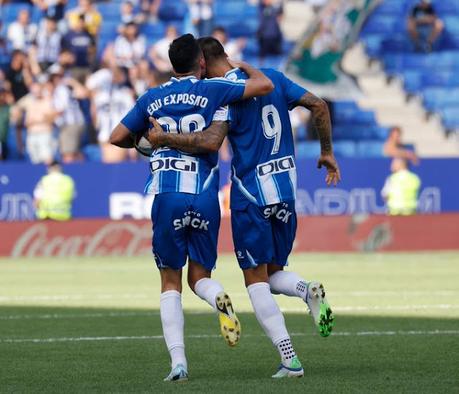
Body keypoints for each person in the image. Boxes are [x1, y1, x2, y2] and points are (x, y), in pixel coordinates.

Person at [147, 36, 340, 378]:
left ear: (202, 64)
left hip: (251, 194)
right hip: (286, 189)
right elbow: (320, 105)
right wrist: (326, 152)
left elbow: (210, 141)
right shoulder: (273, 78)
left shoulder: (223, 94)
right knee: (274, 272)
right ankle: (306, 290)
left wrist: (163, 140)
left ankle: (289, 359)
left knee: (255, 281)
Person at [110, 33, 274, 382]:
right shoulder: (214, 89)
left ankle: (179, 365)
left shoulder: (151, 98)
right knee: (200, 276)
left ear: (171, 64)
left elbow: (115, 137)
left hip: (168, 194)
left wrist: (146, 143)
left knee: (171, 281)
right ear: (201, 62)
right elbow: (262, 86)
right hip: (204, 197)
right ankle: (218, 298)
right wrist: (240, 65)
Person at [87, 66, 136, 163]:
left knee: (113, 165)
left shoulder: (126, 94)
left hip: (117, 133)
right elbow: (94, 113)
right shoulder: (100, 95)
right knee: (110, 166)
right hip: (108, 133)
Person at [14, 76, 57, 164]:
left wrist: (37, 120)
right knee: (34, 160)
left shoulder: (48, 100)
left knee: (47, 158)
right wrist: (19, 117)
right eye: (34, 90)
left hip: (44, 133)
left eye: (38, 89)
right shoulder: (28, 100)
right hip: (31, 134)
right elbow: (16, 107)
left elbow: (52, 117)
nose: (36, 92)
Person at [50, 66, 87, 162]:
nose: (56, 79)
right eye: (54, 77)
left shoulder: (61, 89)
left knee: (68, 155)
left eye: (59, 76)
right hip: (76, 123)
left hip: (69, 124)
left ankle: (72, 174)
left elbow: (61, 109)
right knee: (76, 153)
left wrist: (47, 119)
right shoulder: (65, 88)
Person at [61, 14, 96, 82]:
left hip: (86, 66)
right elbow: (64, 51)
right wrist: (68, 57)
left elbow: (93, 49)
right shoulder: (69, 35)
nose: (81, 24)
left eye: (82, 22)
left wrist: (91, 55)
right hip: (74, 67)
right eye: (79, 21)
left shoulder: (89, 35)